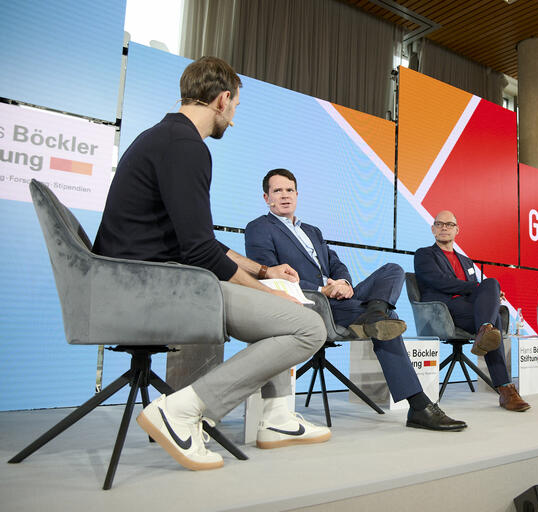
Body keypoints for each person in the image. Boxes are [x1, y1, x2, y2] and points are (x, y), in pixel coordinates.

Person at [93, 57, 331, 471]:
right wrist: (271, 295)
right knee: (307, 325)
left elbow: (202, 241)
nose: (234, 118)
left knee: (279, 310)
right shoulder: (188, 147)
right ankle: (182, 410)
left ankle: (275, 419)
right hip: (152, 288)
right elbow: (202, 253)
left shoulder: (166, 138)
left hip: (142, 280)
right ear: (223, 100)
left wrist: (262, 272)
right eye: (236, 106)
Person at [245, 169, 467, 431]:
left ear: (297, 194)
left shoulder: (311, 231)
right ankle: (419, 405)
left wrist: (344, 284)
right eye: (277, 191)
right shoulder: (259, 228)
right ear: (266, 197)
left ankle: (374, 313)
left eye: (289, 190)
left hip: (341, 299)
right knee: (389, 321)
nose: (284, 196)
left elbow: (335, 263)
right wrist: (321, 289)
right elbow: (271, 276)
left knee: (393, 269)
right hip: (312, 303)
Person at [413, 210, 530, 412]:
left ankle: (485, 329)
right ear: (433, 229)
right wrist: (477, 289)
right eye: (439, 224)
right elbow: (439, 282)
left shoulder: (466, 261)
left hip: (466, 310)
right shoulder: (424, 254)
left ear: (457, 230)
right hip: (443, 310)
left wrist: (489, 294)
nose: (444, 227)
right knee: (494, 318)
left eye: (449, 224)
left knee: (491, 284)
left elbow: (476, 288)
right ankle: (505, 389)